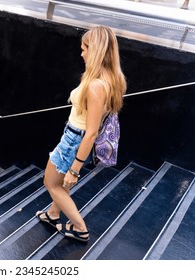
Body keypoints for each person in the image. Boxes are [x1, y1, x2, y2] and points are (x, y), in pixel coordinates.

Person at [36, 26, 127, 242]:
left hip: (75, 140)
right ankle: (53, 214)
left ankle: (80, 228)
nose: (81, 53)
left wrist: (75, 170)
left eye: (84, 49)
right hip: (79, 141)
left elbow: (91, 131)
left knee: (51, 183)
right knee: (59, 183)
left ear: (94, 51)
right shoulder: (113, 79)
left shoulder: (96, 86)